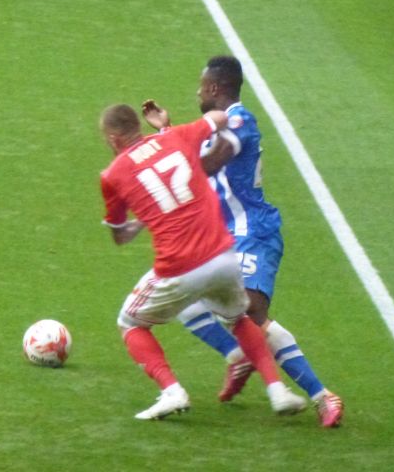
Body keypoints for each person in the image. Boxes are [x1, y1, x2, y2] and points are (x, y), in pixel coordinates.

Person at [141, 55, 345, 428]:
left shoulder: (239, 119)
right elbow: (194, 156)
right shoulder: (213, 126)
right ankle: (239, 356)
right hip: (220, 237)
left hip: (252, 231)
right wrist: (165, 129)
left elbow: (212, 162)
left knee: (251, 312)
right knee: (181, 296)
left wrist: (172, 163)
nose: (197, 91)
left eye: (201, 85)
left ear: (215, 88)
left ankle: (322, 396)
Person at [99, 103, 306, 420]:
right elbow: (219, 118)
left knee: (130, 322)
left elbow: (120, 236)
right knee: (238, 318)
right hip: (224, 255)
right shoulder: (176, 136)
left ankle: (172, 391)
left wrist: (142, 220)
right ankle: (278, 391)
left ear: (113, 139)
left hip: (179, 267)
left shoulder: (113, 174)